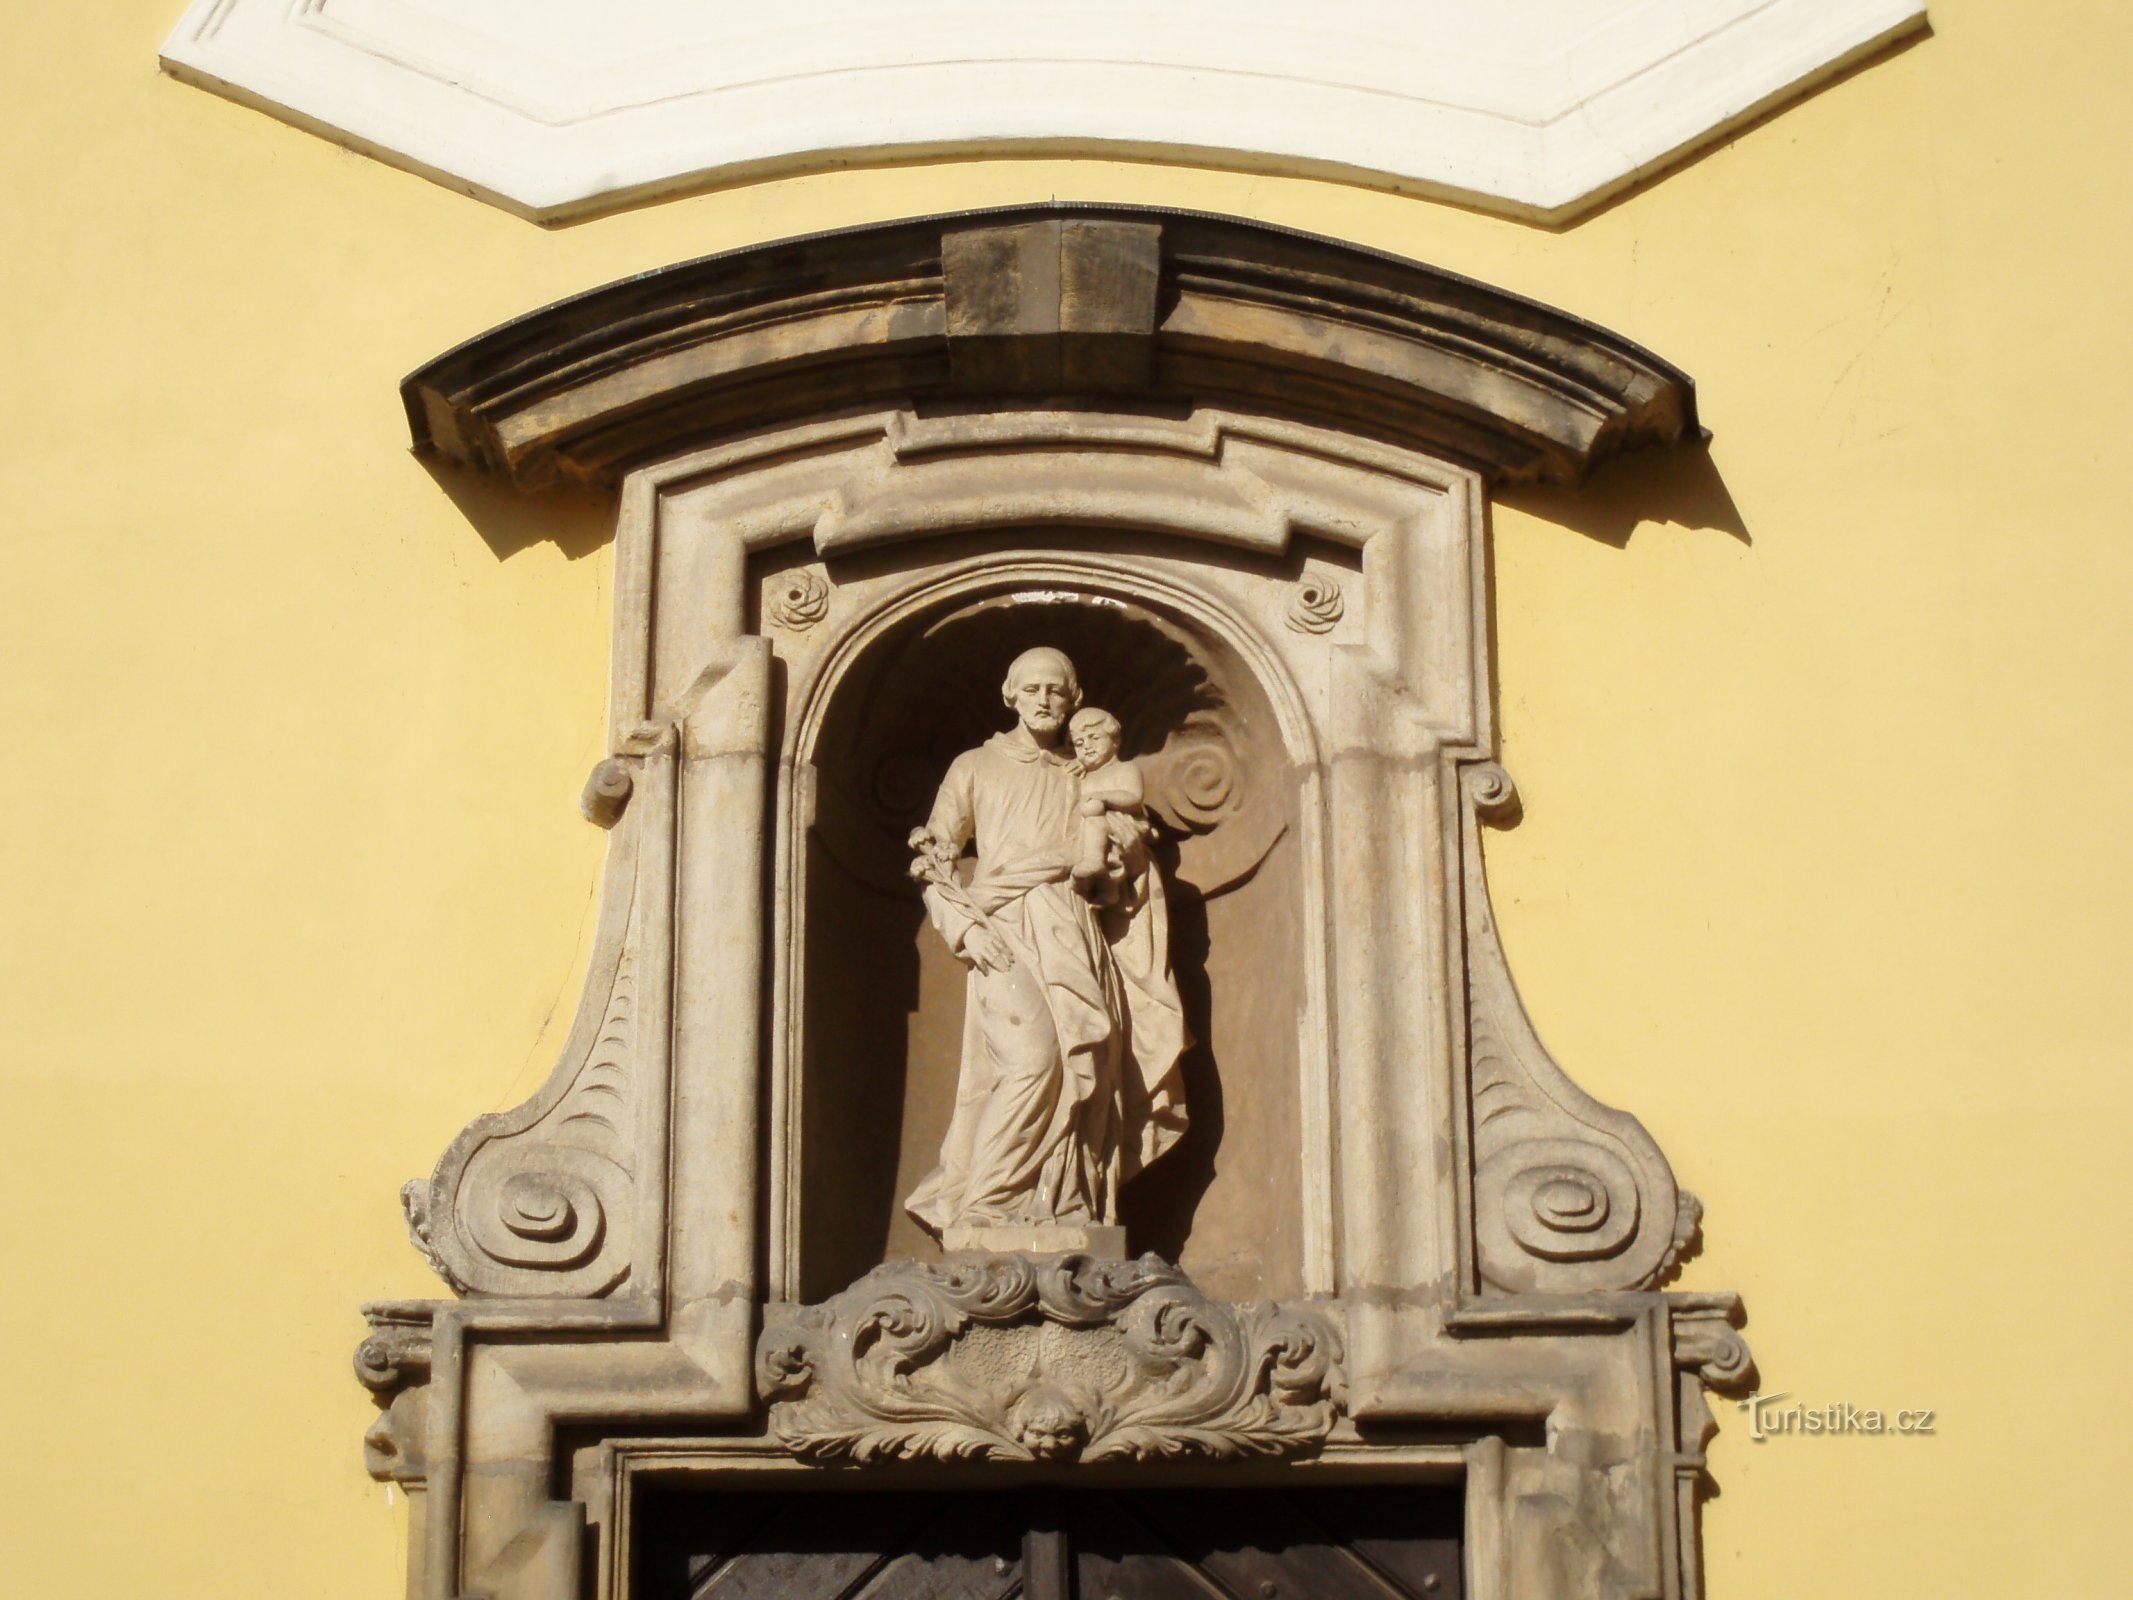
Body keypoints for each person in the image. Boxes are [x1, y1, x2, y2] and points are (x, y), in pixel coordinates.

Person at [903, 647, 1188, 1240]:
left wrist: (1119, 849)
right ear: (1010, 694)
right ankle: (986, 1204)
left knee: (1088, 1060)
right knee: (1033, 1060)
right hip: (1004, 927)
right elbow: (933, 860)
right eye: (1031, 689)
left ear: (1074, 699)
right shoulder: (975, 765)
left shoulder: (1088, 775)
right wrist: (964, 929)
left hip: (1075, 930)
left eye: (1055, 690)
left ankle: (1062, 1207)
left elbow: (1123, 862)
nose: (1043, 699)